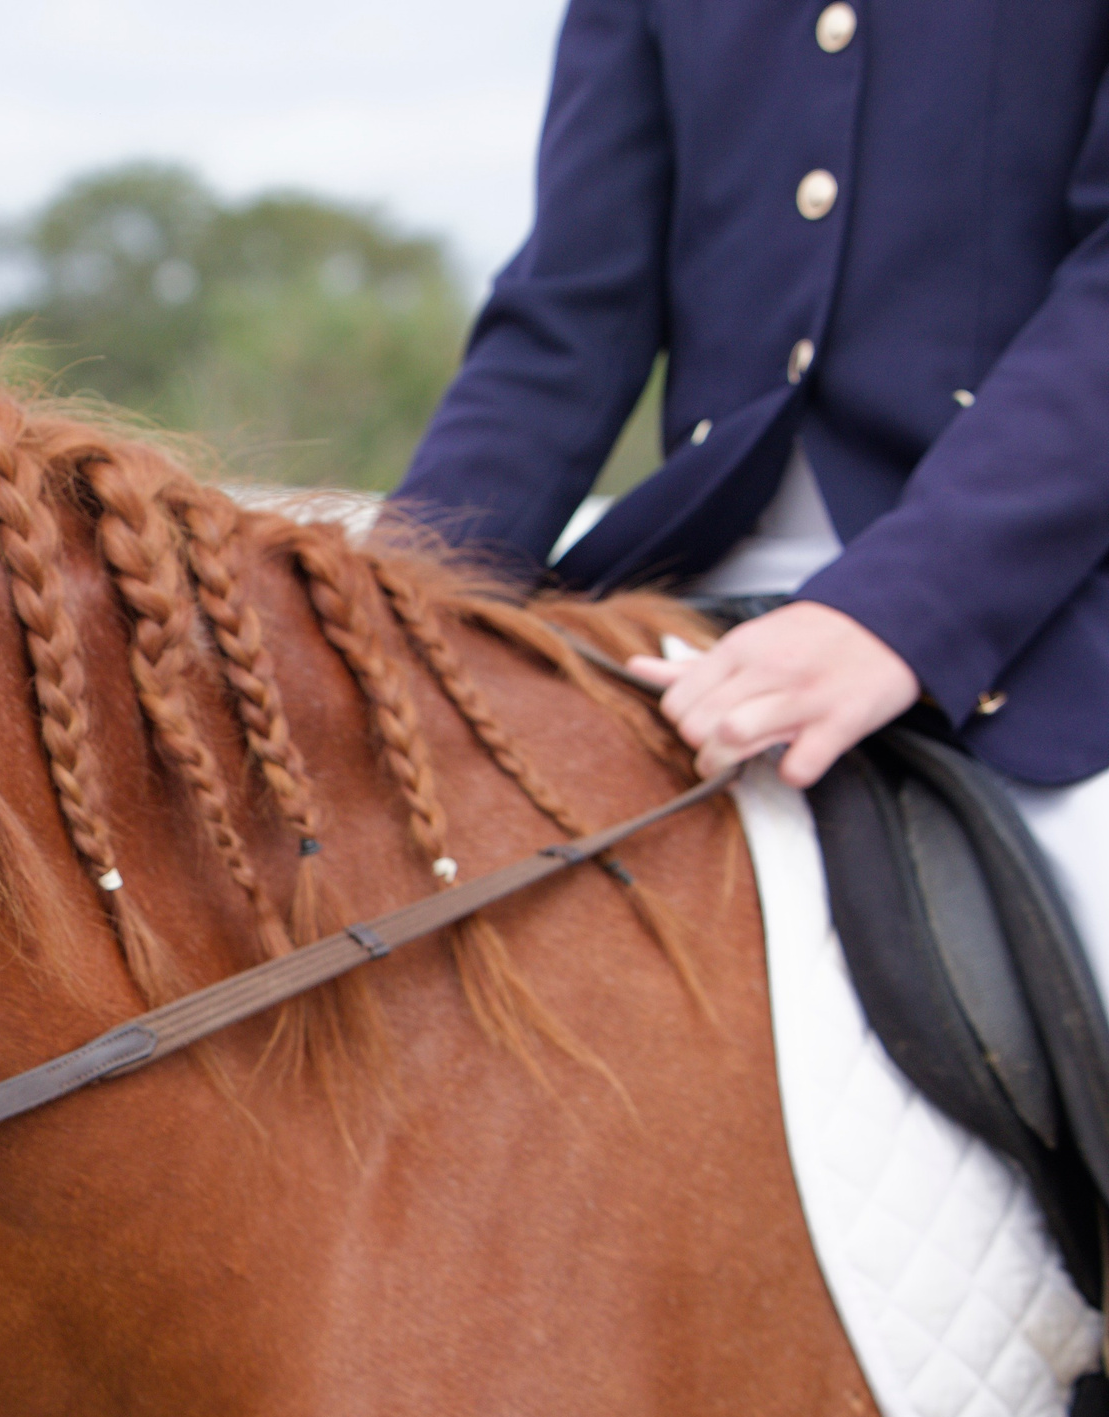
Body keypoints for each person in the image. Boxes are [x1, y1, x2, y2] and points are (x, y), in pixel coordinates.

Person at [387, 0, 1109, 969]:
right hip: (677, 600)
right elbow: (568, 315)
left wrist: (898, 613)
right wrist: (378, 613)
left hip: (1041, 613)